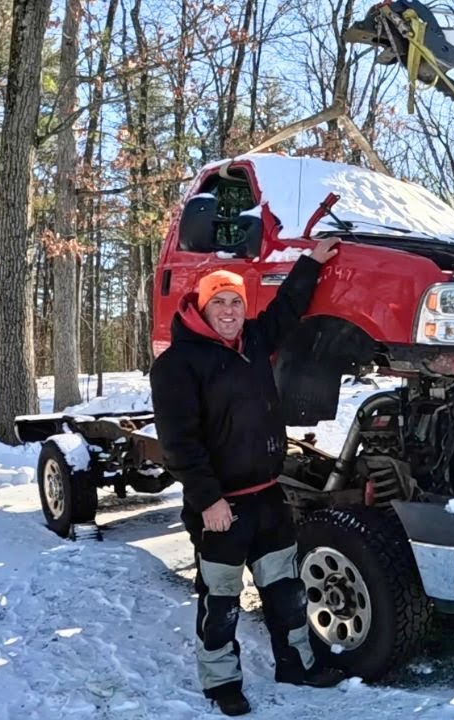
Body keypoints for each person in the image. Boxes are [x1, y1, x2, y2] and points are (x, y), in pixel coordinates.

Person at [150, 237, 342, 717]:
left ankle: (296, 664)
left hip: (268, 500)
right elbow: (180, 444)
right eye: (220, 301)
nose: (231, 310)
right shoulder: (177, 364)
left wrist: (310, 263)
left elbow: (288, 308)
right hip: (221, 508)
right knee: (221, 603)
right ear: (200, 305)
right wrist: (208, 501)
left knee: (287, 594)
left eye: (236, 300)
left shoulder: (252, 341)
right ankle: (221, 683)